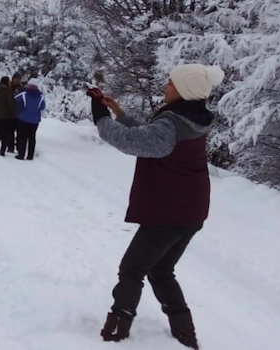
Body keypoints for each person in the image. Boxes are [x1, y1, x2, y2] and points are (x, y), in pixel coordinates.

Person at [91, 64, 225, 349]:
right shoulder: (192, 118)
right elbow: (151, 135)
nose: (166, 86)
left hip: (169, 213)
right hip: (191, 211)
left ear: (184, 90)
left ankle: (116, 331)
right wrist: (119, 113)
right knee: (161, 270)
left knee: (132, 269)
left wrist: (100, 116)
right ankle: (184, 333)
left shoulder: (173, 123)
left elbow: (131, 142)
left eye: (171, 83)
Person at [13, 78, 46, 161]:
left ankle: (21, 154)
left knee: (22, 137)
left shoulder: (24, 94)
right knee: (32, 137)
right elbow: (42, 107)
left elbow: (15, 99)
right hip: (35, 120)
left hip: (23, 119)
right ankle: (30, 155)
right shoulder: (41, 96)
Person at [0, 76, 16, 156]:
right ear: (7, 82)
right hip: (5, 116)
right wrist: (13, 113)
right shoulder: (7, 92)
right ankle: (3, 149)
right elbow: (10, 104)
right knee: (5, 133)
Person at [5, 72, 24, 153]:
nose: (17, 81)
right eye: (15, 79)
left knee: (20, 132)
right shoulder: (9, 88)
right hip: (10, 113)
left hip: (20, 114)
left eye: (18, 79)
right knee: (10, 131)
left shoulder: (22, 89)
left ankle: (19, 147)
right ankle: (10, 147)